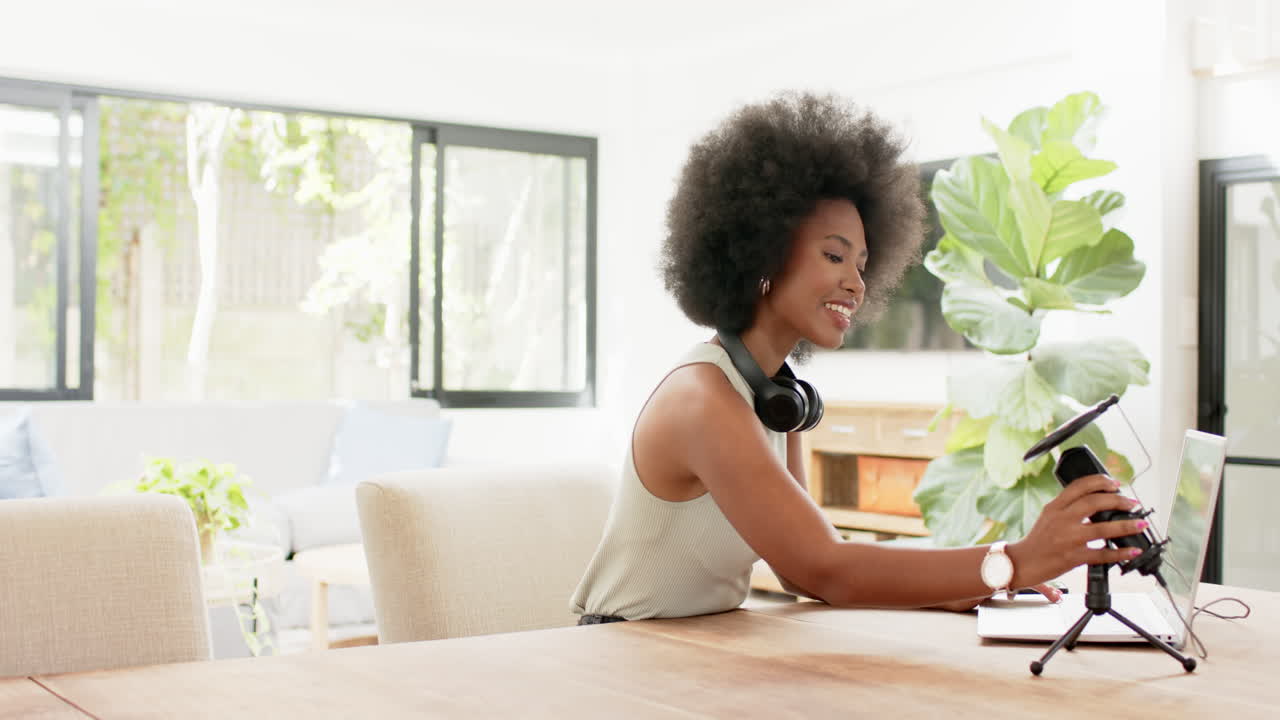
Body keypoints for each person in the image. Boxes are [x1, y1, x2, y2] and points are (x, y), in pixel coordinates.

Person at [571, 92, 1146, 624]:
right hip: (619, 653)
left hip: (697, 654)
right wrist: (1015, 559)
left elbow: (800, 568)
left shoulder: (775, 396)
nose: (856, 283)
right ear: (763, 254)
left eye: (863, 264)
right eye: (834, 256)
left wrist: (967, 585)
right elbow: (827, 569)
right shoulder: (703, 399)